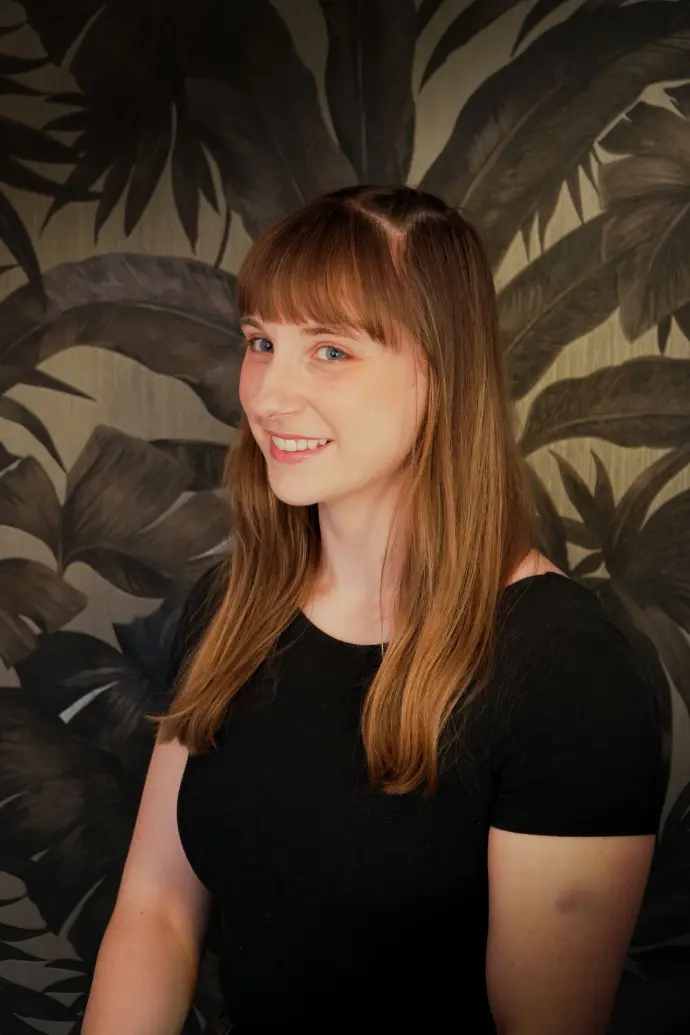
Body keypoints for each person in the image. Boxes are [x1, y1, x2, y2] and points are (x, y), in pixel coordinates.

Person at [82, 186, 665, 1035]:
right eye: (261, 342)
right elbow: (157, 911)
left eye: (330, 351)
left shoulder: (567, 669)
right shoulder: (232, 608)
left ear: (441, 372)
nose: (268, 397)